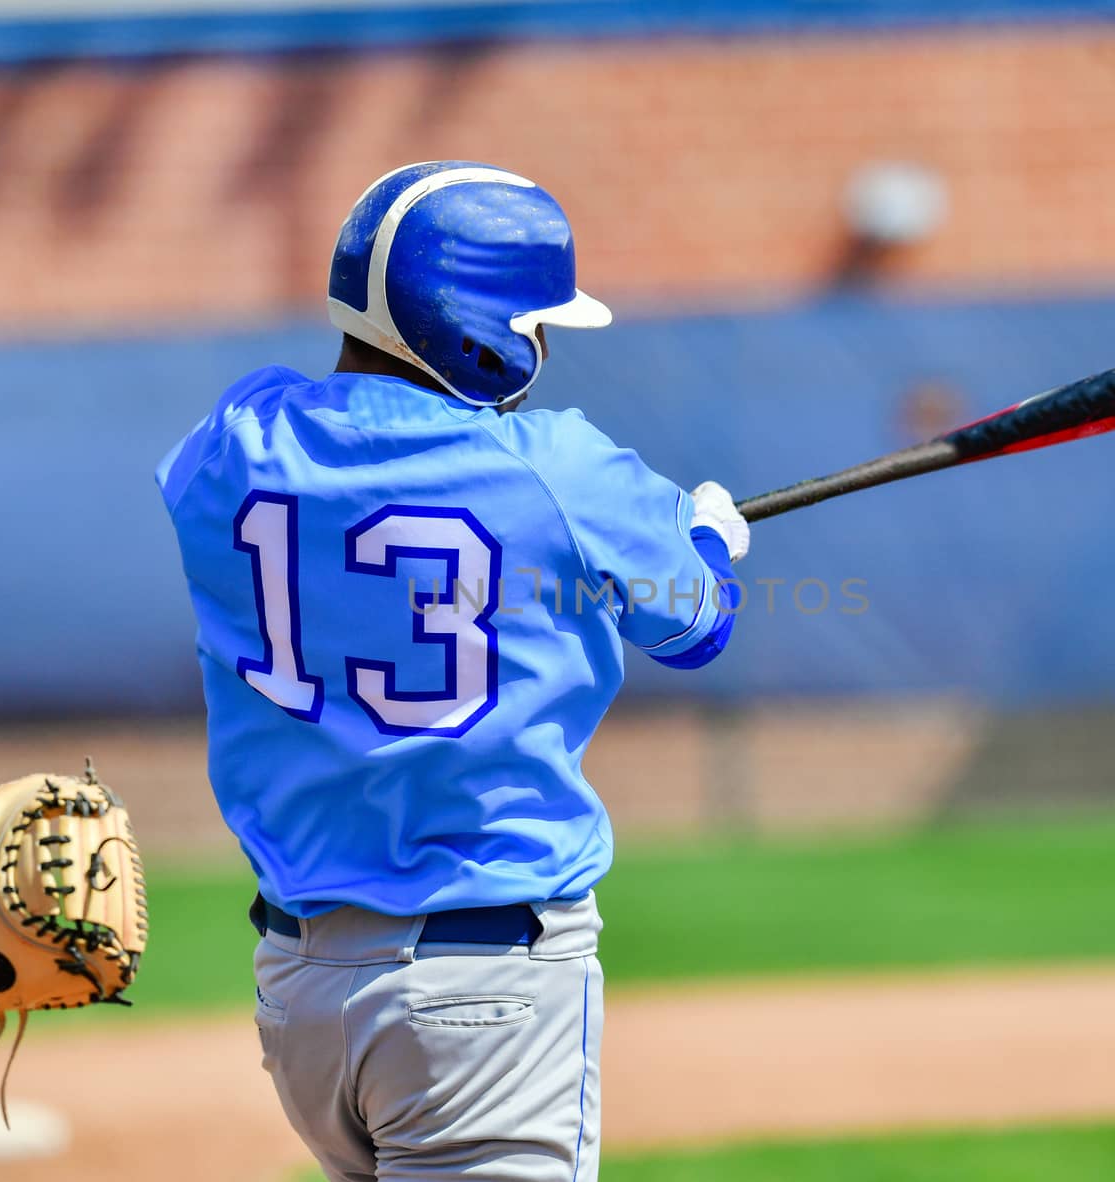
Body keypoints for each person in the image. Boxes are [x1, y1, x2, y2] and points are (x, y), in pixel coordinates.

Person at [155, 161, 748, 1182]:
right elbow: (694, 629)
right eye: (532, 321)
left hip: (297, 989)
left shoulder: (236, 438)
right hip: (482, 988)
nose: (544, 342)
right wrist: (704, 538)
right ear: (476, 328)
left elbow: (358, 519)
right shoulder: (557, 464)